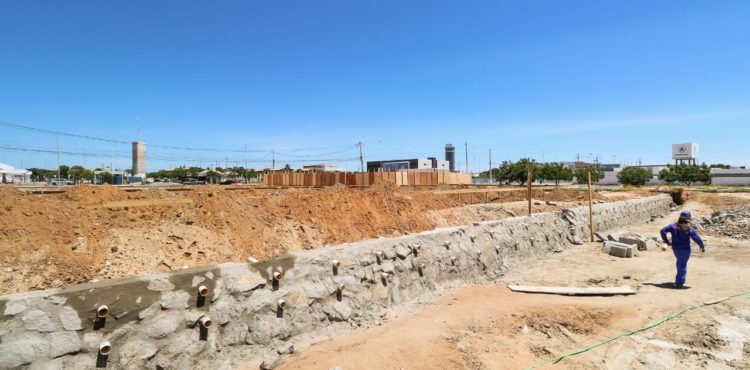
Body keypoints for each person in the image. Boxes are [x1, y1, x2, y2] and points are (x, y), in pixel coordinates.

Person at [660, 211, 705, 289]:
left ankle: (679, 280)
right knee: (682, 265)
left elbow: (662, 231)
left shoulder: (673, 226)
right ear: (687, 219)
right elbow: (696, 237)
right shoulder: (688, 228)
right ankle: (679, 284)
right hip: (685, 250)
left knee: (680, 263)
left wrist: (666, 241)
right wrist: (701, 245)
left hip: (675, 249)